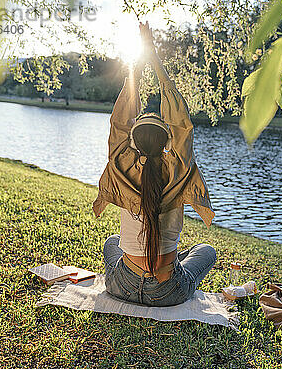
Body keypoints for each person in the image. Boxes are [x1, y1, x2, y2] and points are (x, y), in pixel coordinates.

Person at [92, 21, 216, 306]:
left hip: (121, 285)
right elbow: (182, 123)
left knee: (112, 242)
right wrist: (155, 59)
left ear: (134, 141)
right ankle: (173, 260)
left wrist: (137, 65)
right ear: (167, 139)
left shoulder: (121, 164)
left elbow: (120, 120)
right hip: (167, 291)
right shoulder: (179, 168)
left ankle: (162, 260)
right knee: (206, 250)